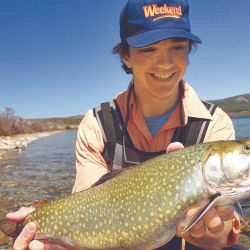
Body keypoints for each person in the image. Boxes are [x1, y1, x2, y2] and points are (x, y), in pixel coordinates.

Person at [7, 0, 241, 249]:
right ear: (126, 56)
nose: (165, 63)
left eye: (178, 47)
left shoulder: (215, 124)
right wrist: (40, 220)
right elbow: (86, 202)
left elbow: (229, 221)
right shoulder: (97, 124)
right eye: (149, 49)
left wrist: (217, 235)